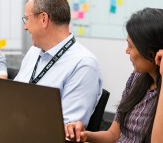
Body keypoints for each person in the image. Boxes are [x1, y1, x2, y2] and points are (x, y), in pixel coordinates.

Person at [65, 8, 163, 143]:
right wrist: (85, 135)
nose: (126, 51)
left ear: (152, 51)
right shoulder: (137, 78)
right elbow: (113, 135)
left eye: (131, 46)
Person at [14, 0, 103, 127]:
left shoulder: (83, 64)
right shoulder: (33, 53)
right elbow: (13, 98)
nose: (25, 27)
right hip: (17, 129)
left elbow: (67, 128)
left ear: (44, 19)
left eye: (27, 19)